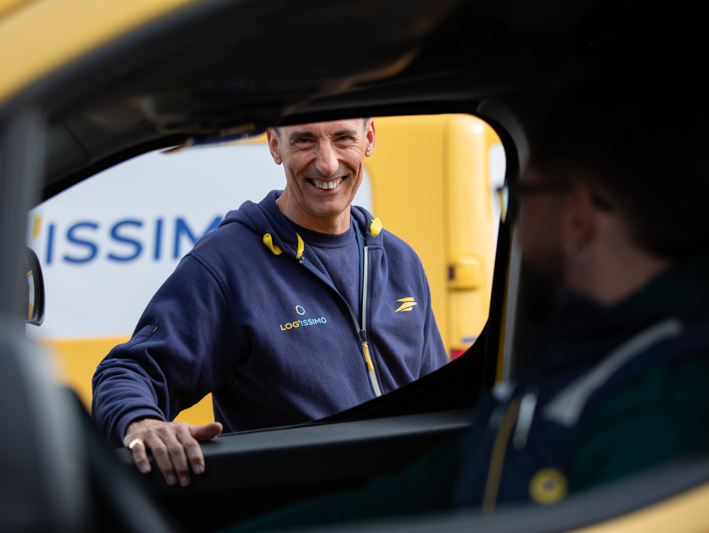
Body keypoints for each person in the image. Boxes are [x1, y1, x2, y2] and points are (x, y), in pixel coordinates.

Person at [221, 63, 709, 531]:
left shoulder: (660, 407)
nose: (516, 222)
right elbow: (420, 493)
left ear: (577, 218)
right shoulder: (575, 360)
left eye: (518, 197)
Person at [92, 118, 448, 488]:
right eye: (305, 141)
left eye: (344, 138)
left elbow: (442, 401)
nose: (328, 164)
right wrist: (141, 422)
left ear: (369, 138)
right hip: (302, 507)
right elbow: (127, 372)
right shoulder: (226, 264)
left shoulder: (400, 260)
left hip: (410, 502)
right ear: (275, 146)